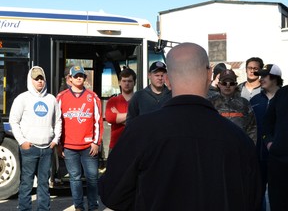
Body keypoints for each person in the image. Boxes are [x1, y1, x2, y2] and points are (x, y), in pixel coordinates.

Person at [99, 43, 261, 211]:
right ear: (209, 75)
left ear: (167, 79)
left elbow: (112, 194)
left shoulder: (140, 132)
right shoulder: (239, 140)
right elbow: (253, 199)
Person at [9, 66, 62, 211]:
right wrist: (22, 142)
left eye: (41, 78)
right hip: (29, 149)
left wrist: (55, 140)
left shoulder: (51, 99)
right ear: (30, 80)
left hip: (47, 149)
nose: (39, 81)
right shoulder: (22, 98)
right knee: (26, 183)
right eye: (36, 78)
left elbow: (58, 121)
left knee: (44, 184)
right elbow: (14, 121)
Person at [57, 65, 103, 211]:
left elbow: (98, 121)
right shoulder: (61, 97)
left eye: (81, 75)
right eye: (75, 75)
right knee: (75, 179)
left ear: (84, 78)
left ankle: (93, 206)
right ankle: (78, 206)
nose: (78, 78)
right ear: (69, 78)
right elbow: (57, 122)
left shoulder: (93, 97)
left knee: (92, 178)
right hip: (69, 147)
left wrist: (96, 142)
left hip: (89, 146)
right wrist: (59, 144)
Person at [250, 64, 283, 211]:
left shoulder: (285, 98)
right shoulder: (255, 100)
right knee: (257, 194)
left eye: (265, 76)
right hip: (259, 156)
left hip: (282, 158)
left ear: (275, 78)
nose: (260, 79)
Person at [261, 65, 287, 211]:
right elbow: (267, 123)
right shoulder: (283, 94)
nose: (261, 79)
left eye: (265, 76)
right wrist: (270, 142)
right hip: (279, 161)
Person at [209, 69, 257, 144]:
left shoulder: (244, 104)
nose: (228, 86)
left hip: (240, 149)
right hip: (216, 148)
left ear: (235, 85)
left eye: (231, 83)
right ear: (219, 84)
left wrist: (250, 148)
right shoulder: (210, 103)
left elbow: (252, 129)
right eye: (224, 83)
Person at [105, 68, 136, 152]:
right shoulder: (113, 101)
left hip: (135, 145)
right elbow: (110, 118)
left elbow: (141, 122)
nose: (126, 84)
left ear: (134, 83)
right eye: (124, 81)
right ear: (119, 82)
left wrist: (118, 115)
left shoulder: (140, 99)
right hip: (116, 145)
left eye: (129, 81)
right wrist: (133, 116)